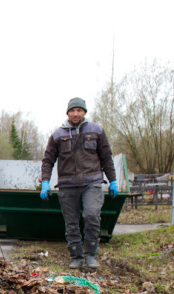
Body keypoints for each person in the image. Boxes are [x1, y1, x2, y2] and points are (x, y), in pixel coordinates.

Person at [39, 97, 118, 271]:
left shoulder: (96, 130)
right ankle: (76, 256)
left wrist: (113, 180)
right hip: (67, 185)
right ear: (67, 113)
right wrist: (45, 181)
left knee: (91, 216)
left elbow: (106, 157)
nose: (76, 114)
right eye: (72, 111)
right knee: (71, 222)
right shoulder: (58, 134)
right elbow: (48, 160)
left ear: (84, 112)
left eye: (79, 110)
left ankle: (90, 255)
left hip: (92, 182)